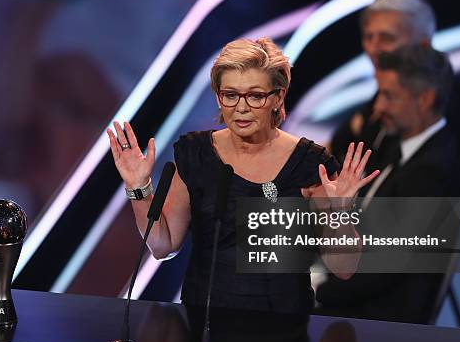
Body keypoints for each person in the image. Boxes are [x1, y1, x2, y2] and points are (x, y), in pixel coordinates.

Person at [107, 37, 379, 314]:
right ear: (218, 96)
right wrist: (139, 187)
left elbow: (343, 269)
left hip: (281, 332)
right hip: (203, 327)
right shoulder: (196, 154)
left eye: (255, 96)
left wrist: (339, 213)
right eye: (230, 95)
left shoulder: (310, 164)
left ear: (278, 97)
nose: (241, 107)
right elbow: (163, 246)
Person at [317, 44, 460, 323]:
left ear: (424, 99)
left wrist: (315, 289)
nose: (378, 106)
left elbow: (382, 272)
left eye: (388, 96)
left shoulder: (432, 171)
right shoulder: (397, 142)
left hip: (376, 319)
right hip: (354, 295)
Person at [330, 0, 436, 171]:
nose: (373, 49)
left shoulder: (433, 113)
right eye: (368, 37)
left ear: (423, 46)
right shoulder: (377, 99)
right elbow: (337, 146)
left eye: (387, 38)